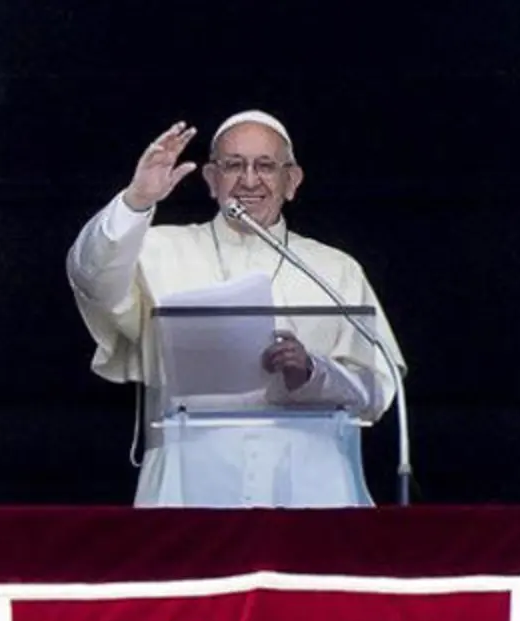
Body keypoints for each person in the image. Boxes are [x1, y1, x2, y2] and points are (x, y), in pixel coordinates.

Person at [66, 110, 406, 507]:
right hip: (188, 482)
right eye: (233, 166)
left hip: (313, 487)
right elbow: (91, 278)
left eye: (265, 166)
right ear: (212, 180)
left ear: (291, 181)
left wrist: (314, 373)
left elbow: (377, 388)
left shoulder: (335, 268)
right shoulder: (158, 249)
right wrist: (137, 200)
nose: (248, 180)